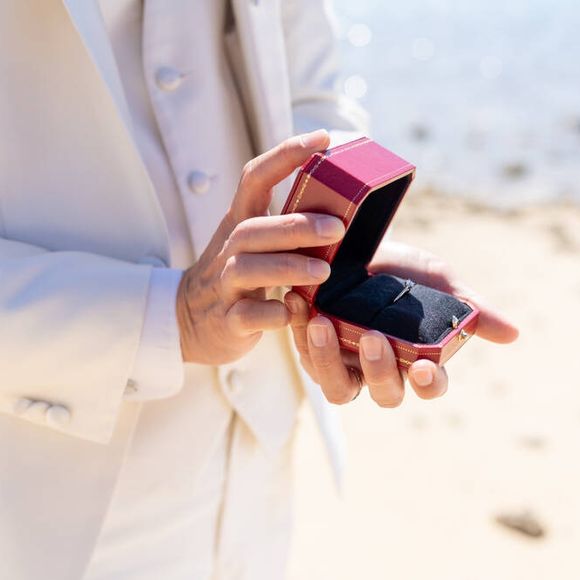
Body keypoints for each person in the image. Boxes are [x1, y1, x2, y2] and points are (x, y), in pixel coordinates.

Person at [0, 1, 518, 579]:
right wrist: (169, 318)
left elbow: (311, 91)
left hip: (261, 464)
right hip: (64, 505)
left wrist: (338, 242)